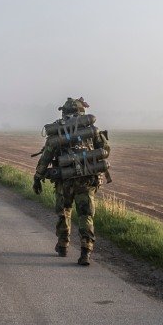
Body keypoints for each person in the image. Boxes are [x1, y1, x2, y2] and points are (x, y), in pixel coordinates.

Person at [32, 98, 110, 266]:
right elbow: (104, 150)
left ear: (64, 111)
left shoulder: (59, 130)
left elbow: (46, 156)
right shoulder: (90, 130)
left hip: (64, 180)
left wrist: (37, 178)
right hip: (87, 180)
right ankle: (86, 251)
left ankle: (63, 245)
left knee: (64, 213)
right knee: (85, 215)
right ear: (82, 111)